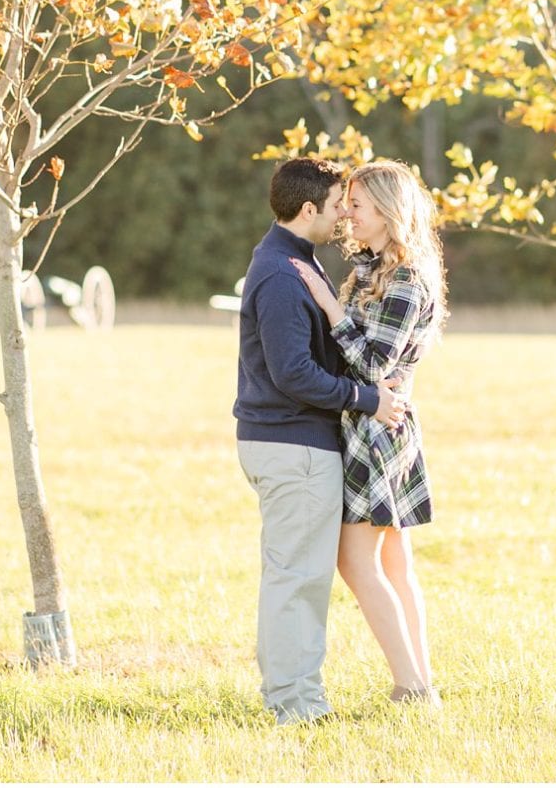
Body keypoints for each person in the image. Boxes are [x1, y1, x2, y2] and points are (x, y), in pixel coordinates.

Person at [234, 156, 409, 726]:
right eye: (338, 206)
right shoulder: (284, 275)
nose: (342, 216)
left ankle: (293, 695)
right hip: (294, 446)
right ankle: (296, 705)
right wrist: (368, 400)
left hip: (296, 444)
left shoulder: (297, 260)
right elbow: (294, 374)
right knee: (298, 580)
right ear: (308, 209)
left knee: (296, 575)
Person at [289, 159, 446, 706]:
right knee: (394, 564)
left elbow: (375, 366)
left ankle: (411, 686)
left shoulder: (406, 276)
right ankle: (422, 683)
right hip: (372, 422)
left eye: (355, 204)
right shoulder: (369, 269)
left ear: (386, 210)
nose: (346, 214)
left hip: (378, 433)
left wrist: (330, 306)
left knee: (357, 562)